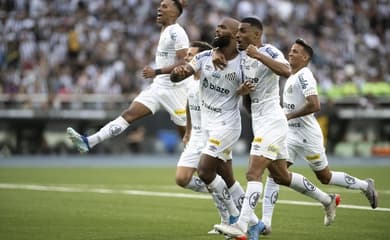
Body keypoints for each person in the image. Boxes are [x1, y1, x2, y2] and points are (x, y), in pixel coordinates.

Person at [214, 17, 340, 239]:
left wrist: (259, 55)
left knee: (253, 172)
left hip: (273, 120)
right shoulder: (242, 58)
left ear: (256, 35)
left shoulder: (269, 51)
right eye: (238, 32)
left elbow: (286, 70)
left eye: (243, 31)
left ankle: (242, 226)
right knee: (282, 177)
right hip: (260, 121)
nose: (238, 35)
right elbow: (248, 101)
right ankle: (327, 200)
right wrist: (243, 92)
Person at [260, 38, 379, 235]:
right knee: (275, 174)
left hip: (307, 135)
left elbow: (315, 105)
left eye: (296, 52)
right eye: (290, 51)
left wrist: (288, 115)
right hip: (290, 133)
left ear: (305, 58)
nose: (290, 54)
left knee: (325, 176)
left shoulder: (305, 75)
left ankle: (365, 185)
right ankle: (266, 223)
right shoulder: (291, 76)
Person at [171, 17, 263, 240]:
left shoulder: (244, 62)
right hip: (208, 128)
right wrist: (180, 72)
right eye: (217, 26)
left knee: (204, 171)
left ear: (234, 34)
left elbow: (253, 93)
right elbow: (179, 74)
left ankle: (233, 217)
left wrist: (244, 91)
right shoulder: (205, 56)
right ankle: (255, 223)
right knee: (228, 178)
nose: (217, 29)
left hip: (227, 125)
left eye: (222, 27)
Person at [66, 0, 189, 152]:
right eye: (159, 5)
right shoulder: (166, 29)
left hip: (175, 89)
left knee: (188, 138)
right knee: (129, 114)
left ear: (174, 12)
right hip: (158, 87)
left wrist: (156, 71)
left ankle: (208, 173)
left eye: (164, 6)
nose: (159, 9)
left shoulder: (177, 31)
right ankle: (89, 142)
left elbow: (185, 60)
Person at [175, 40, 246, 235]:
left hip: (218, 130)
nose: (188, 57)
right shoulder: (190, 83)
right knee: (182, 178)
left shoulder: (213, 77)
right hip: (197, 133)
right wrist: (188, 130)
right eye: (188, 55)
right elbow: (189, 106)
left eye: (191, 55)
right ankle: (229, 204)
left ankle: (231, 217)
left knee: (216, 175)